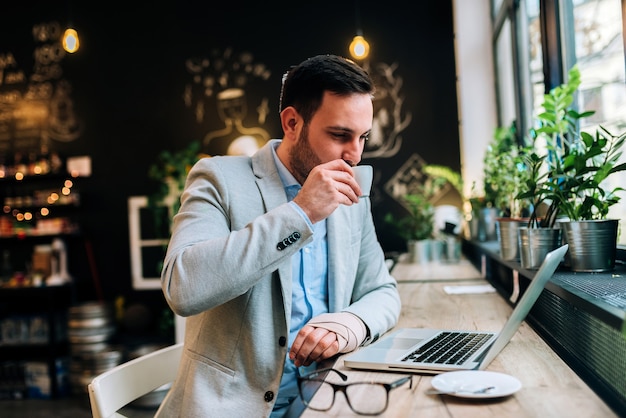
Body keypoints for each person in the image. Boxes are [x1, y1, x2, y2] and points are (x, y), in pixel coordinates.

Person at [155, 54, 401, 417]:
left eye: (362, 137)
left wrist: (348, 324)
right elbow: (182, 287)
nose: (355, 155)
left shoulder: (351, 201)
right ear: (292, 123)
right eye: (339, 135)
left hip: (326, 401)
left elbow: (382, 291)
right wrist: (300, 213)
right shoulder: (218, 179)